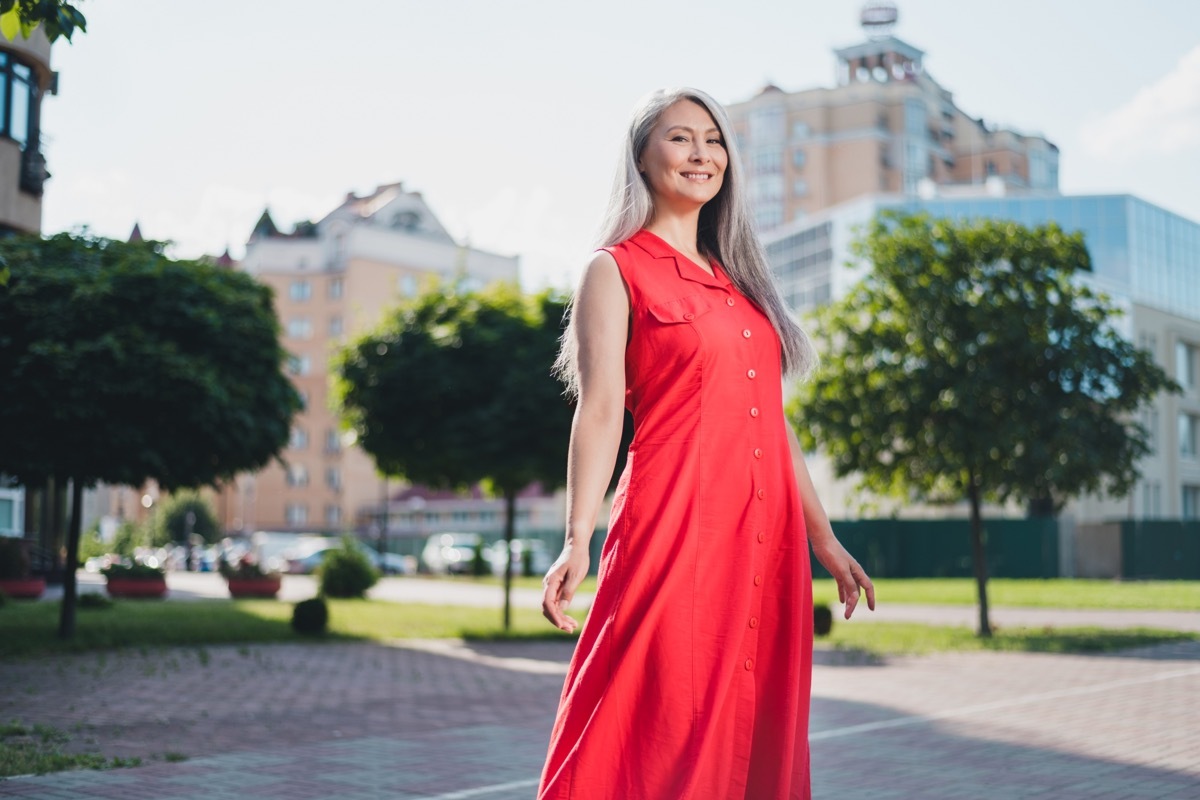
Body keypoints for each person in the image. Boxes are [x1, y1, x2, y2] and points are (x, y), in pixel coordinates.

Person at [538, 87, 875, 800]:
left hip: (765, 534)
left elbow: (770, 422)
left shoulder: (741, 285)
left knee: (756, 719)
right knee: (653, 712)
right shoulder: (616, 267)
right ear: (641, 157)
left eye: (714, 139)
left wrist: (824, 537)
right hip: (675, 521)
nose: (702, 154)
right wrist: (577, 539)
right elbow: (599, 412)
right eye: (680, 138)